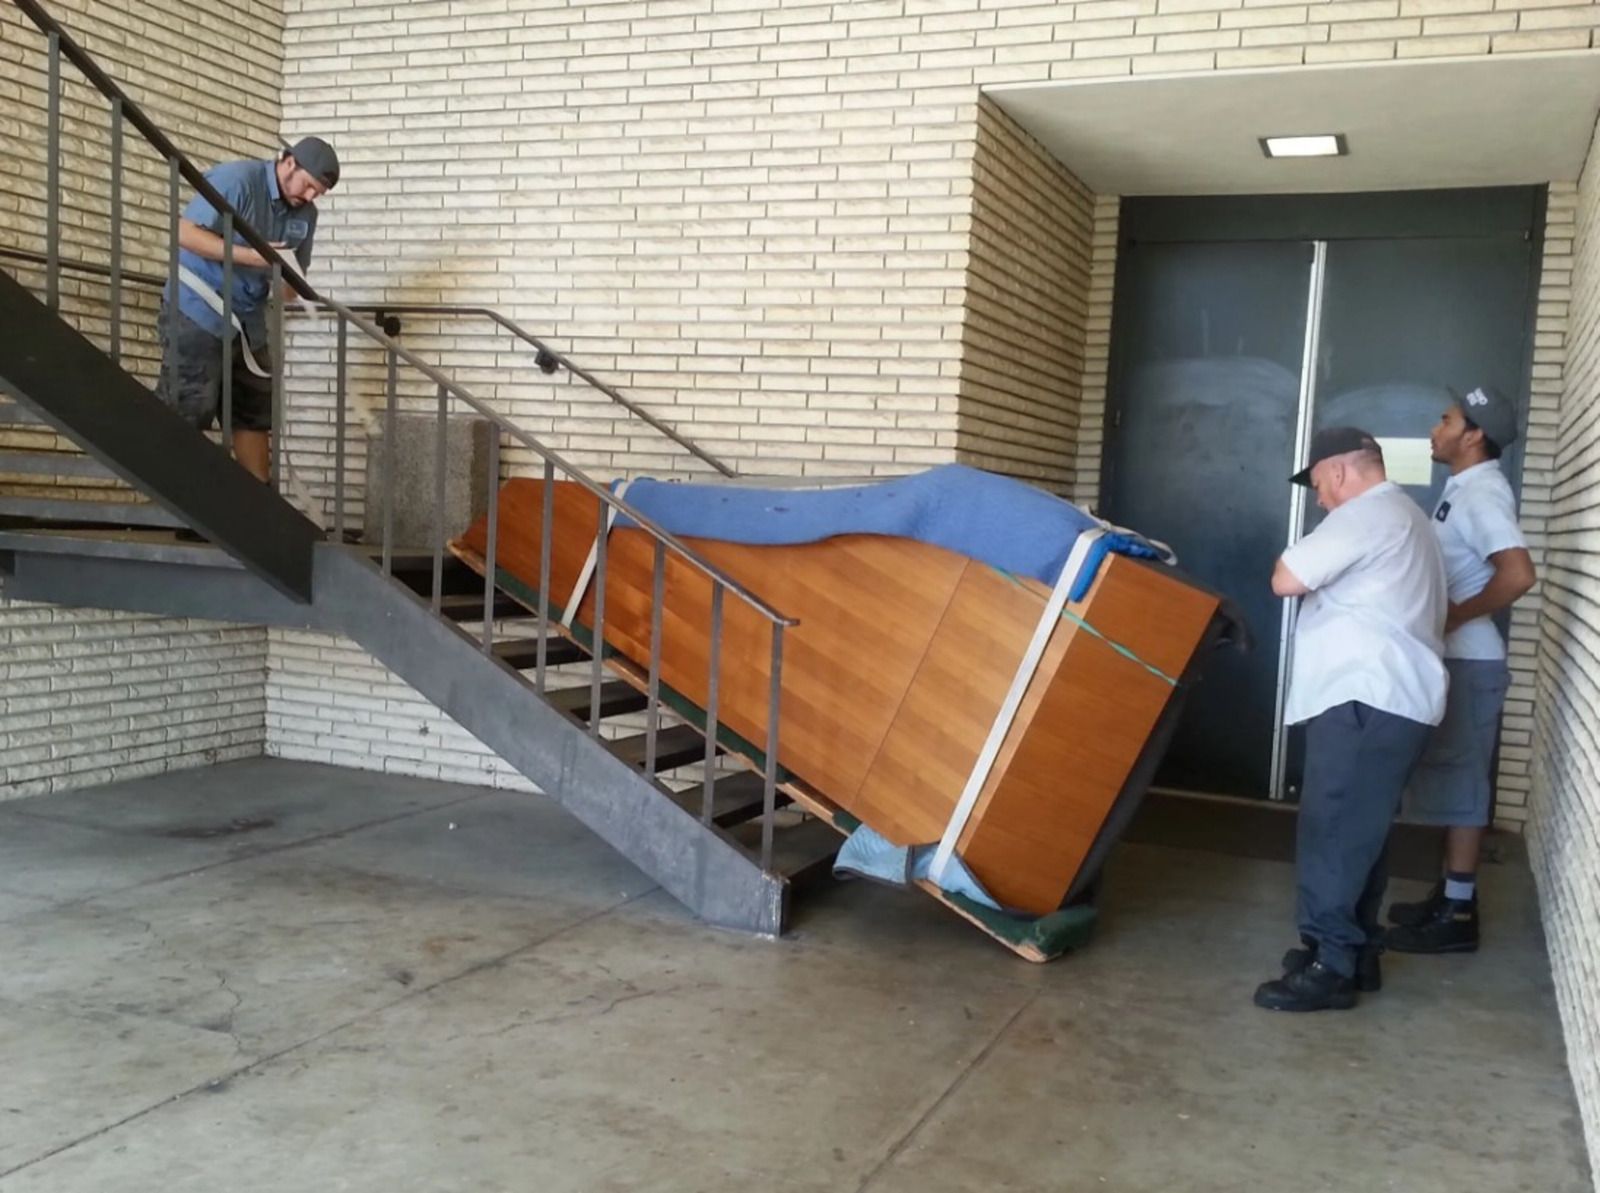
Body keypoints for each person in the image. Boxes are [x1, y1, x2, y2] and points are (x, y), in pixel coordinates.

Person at [1254, 427, 1448, 1013]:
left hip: (1367, 697)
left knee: (1334, 828)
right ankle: (1352, 951)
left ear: (1339, 471)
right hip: (1389, 698)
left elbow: (1286, 578)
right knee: (1359, 832)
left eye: (1317, 484)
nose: (1318, 499)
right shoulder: (1407, 517)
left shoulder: (1366, 514)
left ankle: (1329, 966)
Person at [1386, 387, 1535, 954]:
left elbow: (1517, 574)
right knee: (1451, 779)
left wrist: (1453, 618)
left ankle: (1460, 912)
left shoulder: (1484, 495)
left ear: (1473, 435)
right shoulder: (1464, 488)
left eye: (1446, 419)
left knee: (1466, 783)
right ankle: (1447, 895)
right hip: (1458, 662)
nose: (1434, 428)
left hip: (1472, 664)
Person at [157, 136, 340, 481]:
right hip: (197, 308)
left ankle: (259, 508)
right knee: (190, 406)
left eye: (319, 193)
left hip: (248, 321)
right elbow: (185, 233)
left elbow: (289, 284)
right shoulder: (237, 180)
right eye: (309, 186)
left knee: (255, 411)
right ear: (289, 163)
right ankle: (179, 504)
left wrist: (293, 285)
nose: (311, 197)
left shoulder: (306, 214)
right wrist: (250, 256)